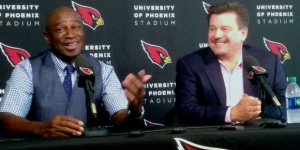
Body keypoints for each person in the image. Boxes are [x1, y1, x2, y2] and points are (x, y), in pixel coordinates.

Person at [0, 6, 151, 137]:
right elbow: (7, 118)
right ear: (47, 37)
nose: (71, 34)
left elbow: (120, 116)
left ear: (83, 31)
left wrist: (134, 110)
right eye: (60, 29)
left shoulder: (103, 70)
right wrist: (41, 128)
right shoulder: (27, 69)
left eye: (76, 27)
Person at [175, 2, 287, 126]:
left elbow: (283, 109)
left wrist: (254, 112)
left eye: (225, 29)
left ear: (243, 33)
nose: (216, 35)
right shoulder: (190, 65)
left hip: (257, 139)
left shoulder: (269, 62)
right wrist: (231, 113)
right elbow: (185, 112)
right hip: (213, 141)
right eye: (212, 29)